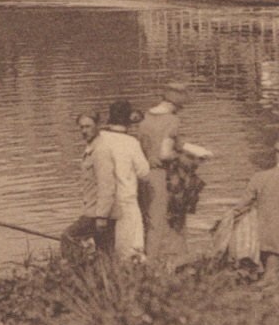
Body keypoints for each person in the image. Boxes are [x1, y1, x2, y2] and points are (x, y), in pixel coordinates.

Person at [232, 141, 279, 284]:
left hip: (256, 240)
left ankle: (256, 282)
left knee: (262, 277)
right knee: (273, 277)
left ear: (278, 156)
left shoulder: (259, 177)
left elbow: (241, 207)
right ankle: (268, 285)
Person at [135, 82, 188, 266]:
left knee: (148, 221)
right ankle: (158, 266)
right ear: (176, 104)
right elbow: (165, 154)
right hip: (162, 176)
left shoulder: (145, 118)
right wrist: (183, 156)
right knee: (166, 221)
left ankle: (145, 260)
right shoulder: (172, 121)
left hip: (143, 175)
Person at [60, 113, 116, 258]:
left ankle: (74, 274)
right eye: (81, 127)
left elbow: (107, 185)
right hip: (96, 210)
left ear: (97, 126)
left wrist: (102, 216)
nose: (84, 131)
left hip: (98, 213)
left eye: (88, 126)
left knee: (68, 237)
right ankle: (103, 276)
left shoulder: (101, 151)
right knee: (105, 251)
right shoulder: (92, 148)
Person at [100, 100, 150, 260]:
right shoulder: (131, 143)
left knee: (106, 246)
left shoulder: (99, 138)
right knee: (131, 248)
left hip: (102, 200)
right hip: (125, 200)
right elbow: (144, 172)